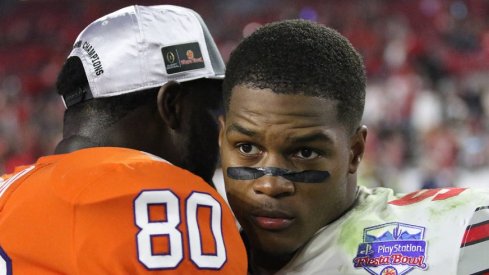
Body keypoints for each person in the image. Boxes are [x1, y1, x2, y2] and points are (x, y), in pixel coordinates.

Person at [218, 19, 489, 274]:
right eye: (246, 148)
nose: (271, 185)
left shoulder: (450, 234)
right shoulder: (191, 249)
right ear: (221, 140)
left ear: (355, 151)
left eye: (305, 153)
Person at [0, 5, 247, 274]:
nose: (221, 125)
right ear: (172, 106)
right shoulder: (175, 201)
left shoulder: (8, 192)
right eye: (215, 108)